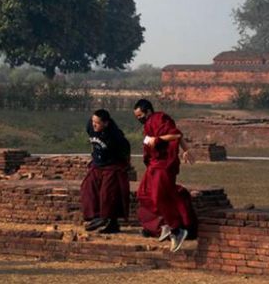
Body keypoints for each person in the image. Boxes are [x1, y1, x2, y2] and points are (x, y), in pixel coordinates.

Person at [133, 99, 197, 253]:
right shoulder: (148, 125)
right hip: (154, 165)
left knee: (159, 196)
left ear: (148, 111)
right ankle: (166, 223)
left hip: (164, 164)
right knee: (144, 194)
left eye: (141, 115)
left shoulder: (158, 118)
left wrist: (160, 140)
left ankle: (176, 228)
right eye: (137, 117)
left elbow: (175, 134)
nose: (139, 119)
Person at [80, 109, 131, 234]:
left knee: (108, 194)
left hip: (111, 165)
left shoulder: (115, 136)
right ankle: (96, 216)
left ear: (106, 123)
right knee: (88, 187)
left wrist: (125, 165)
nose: (94, 125)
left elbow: (126, 150)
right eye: (93, 121)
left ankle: (110, 221)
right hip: (97, 165)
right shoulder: (90, 127)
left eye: (97, 123)